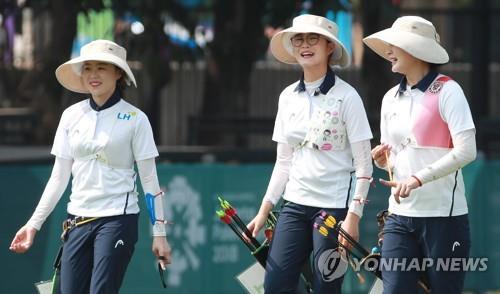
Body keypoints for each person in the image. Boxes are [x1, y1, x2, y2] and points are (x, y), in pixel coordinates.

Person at [9, 40, 171, 293]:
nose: (93, 75)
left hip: (118, 220)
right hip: (77, 221)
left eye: (102, 68)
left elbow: (150, 180)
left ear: (118, 73)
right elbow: (59, 177)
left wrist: (159, 233)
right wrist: (33, 225)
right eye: (88, 68)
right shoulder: (70, 116)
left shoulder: (137, 120)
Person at [247, 14, 373, 293]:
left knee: (326, 286)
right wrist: (264, 209)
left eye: (313, 38)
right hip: (294, 204)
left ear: (330, 46)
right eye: (299, 39)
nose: (305, 45)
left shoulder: (348, 97)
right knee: (275, 285)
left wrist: (353, 215)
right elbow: (283, 162)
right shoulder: (287, 96)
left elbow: (365, 165)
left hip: (334, 208)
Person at [364, 16, 476, 293]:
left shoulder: (449, 91)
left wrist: (417, 178)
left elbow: (467, 151)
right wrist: (383, 162)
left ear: (417, 49)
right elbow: (394, 158)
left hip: (444, 219)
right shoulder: (389, 97)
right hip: (399, 216)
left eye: (396, 45)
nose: (389, 51)